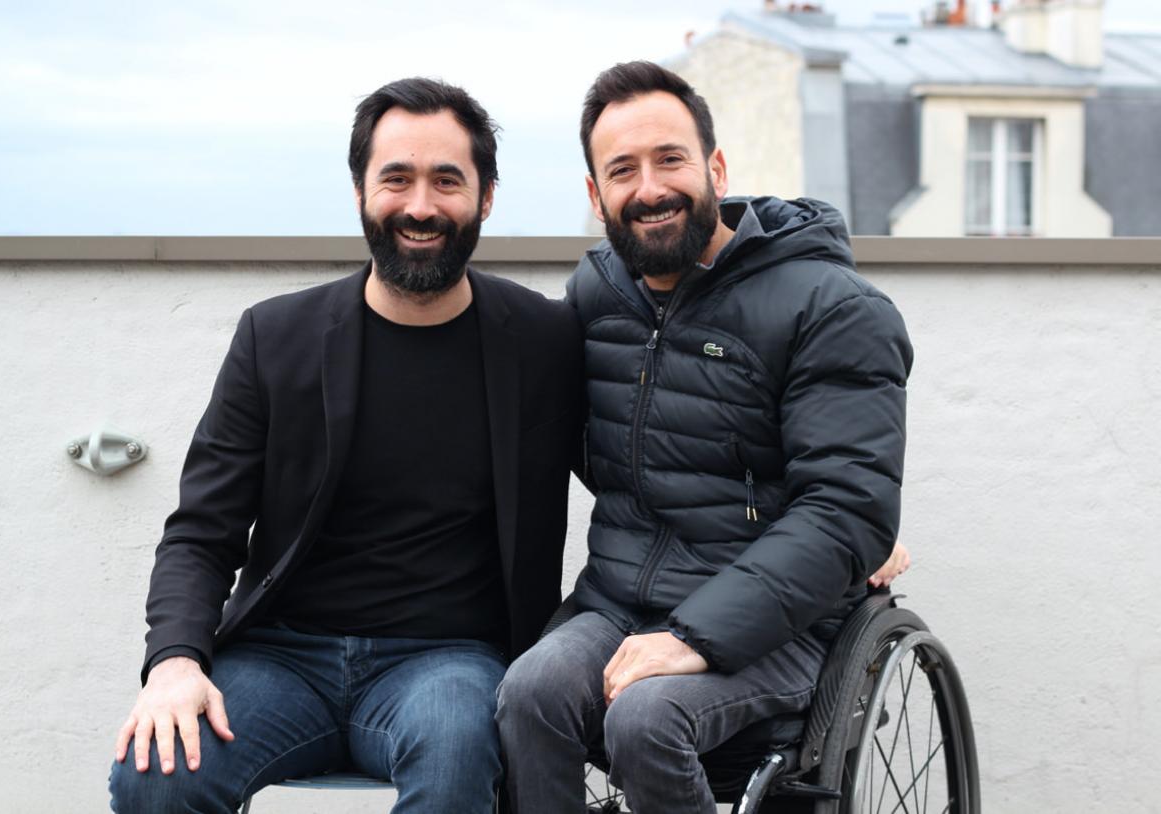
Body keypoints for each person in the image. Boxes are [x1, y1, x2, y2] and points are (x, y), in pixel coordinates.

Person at [108, 77, 583, 813]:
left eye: (446, 181)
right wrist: (174, 661)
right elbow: (202, 532)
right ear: (360, 190)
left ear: (486, 197)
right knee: (156, 773)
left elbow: (641, 473)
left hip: (446, 662)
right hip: (279, 658)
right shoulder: (275, 338)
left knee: (461, 757)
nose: (420, 206)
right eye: (396, 178)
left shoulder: (547, 342)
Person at [496, 61, 914, 813]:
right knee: (527, 693)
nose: (649, 188)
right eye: (622, 170)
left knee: (647, 717)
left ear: (715, 167)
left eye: (670, 159)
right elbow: (586, 446)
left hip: (783, 628)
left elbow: (844, 504)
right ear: (597, 197)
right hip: (618, 602)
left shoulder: (832, 307)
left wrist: (699, 634)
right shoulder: (596, 294)